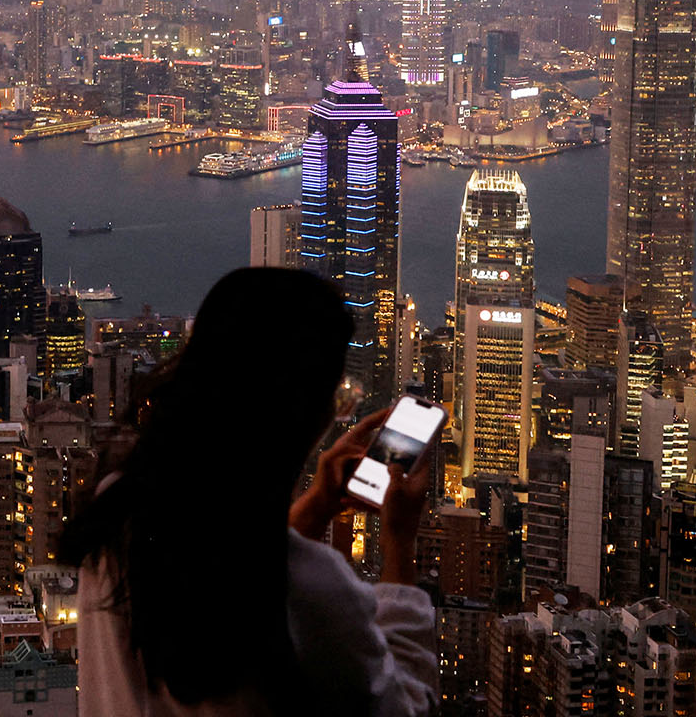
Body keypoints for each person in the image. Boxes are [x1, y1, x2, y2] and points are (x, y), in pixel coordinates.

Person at [64, 268, 438, 715]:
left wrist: (315, 508)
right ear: (313, 414)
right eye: (339, 394)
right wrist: (399, 540)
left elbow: (237, 557)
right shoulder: (314, 589)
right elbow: (406, 705)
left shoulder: (117, 515)